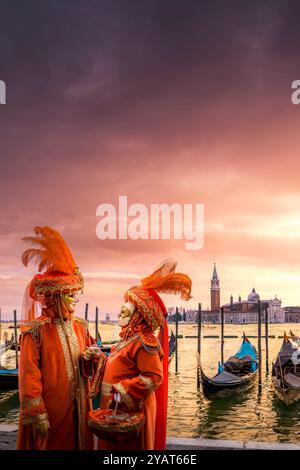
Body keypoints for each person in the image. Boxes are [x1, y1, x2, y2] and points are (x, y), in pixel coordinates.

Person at [91, 259, 192, 450]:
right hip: (112, 408)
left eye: (127, 308)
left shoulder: (144, 342)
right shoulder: (125, 340)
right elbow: (119, 366)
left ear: (139, 314)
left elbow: (154, 377)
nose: (121, 312)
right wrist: (100, 359)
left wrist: (122, 390)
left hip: (128, 408)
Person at [16, 226, 101, 450]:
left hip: (79, 404)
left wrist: (91, 357)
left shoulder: (80, 326)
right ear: (55, 296)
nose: (75, 300)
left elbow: (91, 359)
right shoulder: (35, 331)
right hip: (52, 409)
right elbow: (28, 376)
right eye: (70, 295)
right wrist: (37, 413)